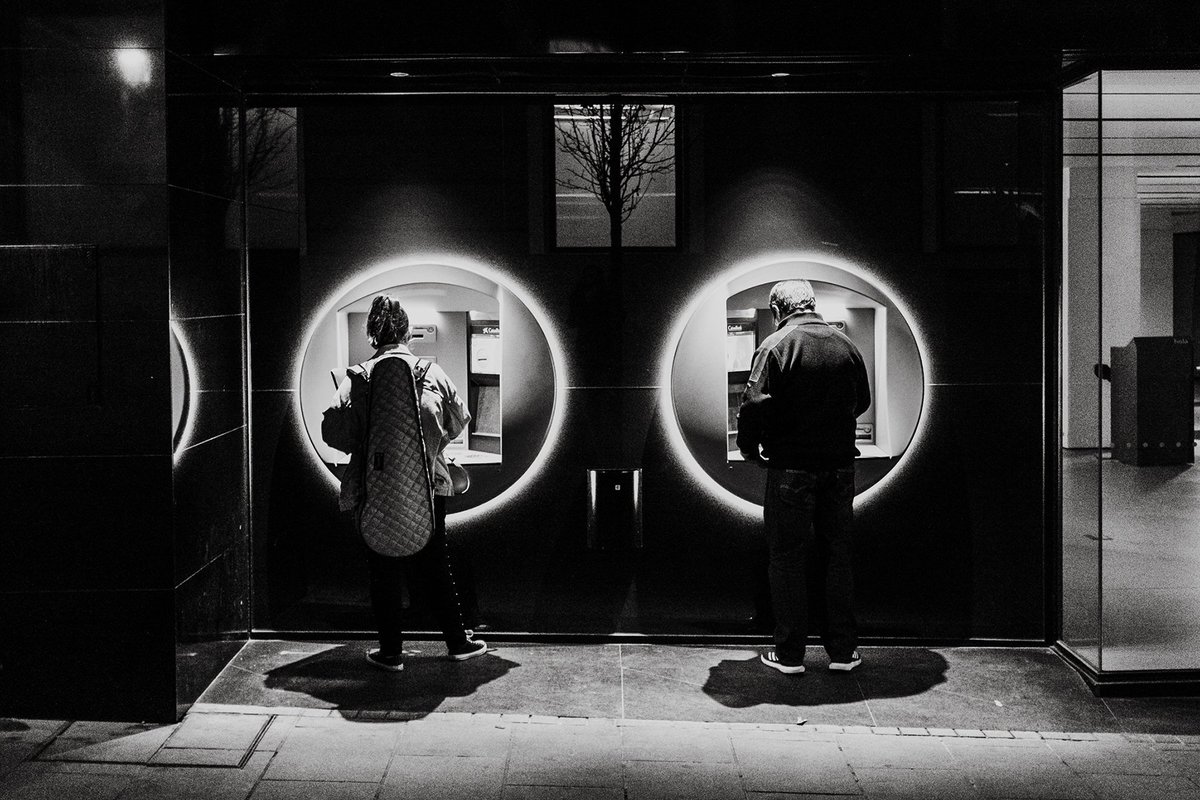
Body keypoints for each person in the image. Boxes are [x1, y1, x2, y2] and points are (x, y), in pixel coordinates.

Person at [324, 294, 488, 672]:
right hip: (428, 485)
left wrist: (366, 444)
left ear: (371, 335)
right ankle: (458, 642)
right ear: (408, 331)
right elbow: (460, 419)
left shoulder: (358, 378)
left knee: (381, 568)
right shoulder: (433, 373)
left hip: (374, 487)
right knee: (434, 563)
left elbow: (333, 431)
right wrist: (430, 444)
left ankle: (391, 652)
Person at [736, 279, 871, 675]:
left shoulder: (775, 345)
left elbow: (752, 405)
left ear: (778, 310)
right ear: (813, 304)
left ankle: (791, 654)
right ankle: (843, 652)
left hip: (791, 469)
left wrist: (750, 449)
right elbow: (861, 401)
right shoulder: (846, 345)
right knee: (837, 557)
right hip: (840, 468)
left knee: (787, 559)